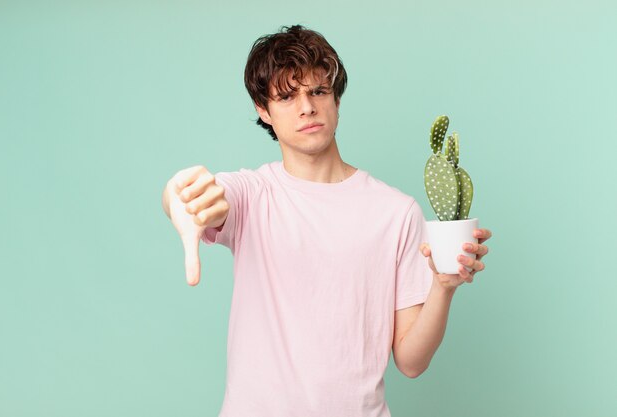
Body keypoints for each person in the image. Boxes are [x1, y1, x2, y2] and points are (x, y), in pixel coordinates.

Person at [161, 24, 492, 417]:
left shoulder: (396, 212)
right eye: (286, 97)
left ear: (335, 98)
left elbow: (411, 361)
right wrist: (182, 198)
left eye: (317, 91)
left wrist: (443, 287)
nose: (306, 107)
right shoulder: (251, 194)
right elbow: (195, 198)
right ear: (263, 111)